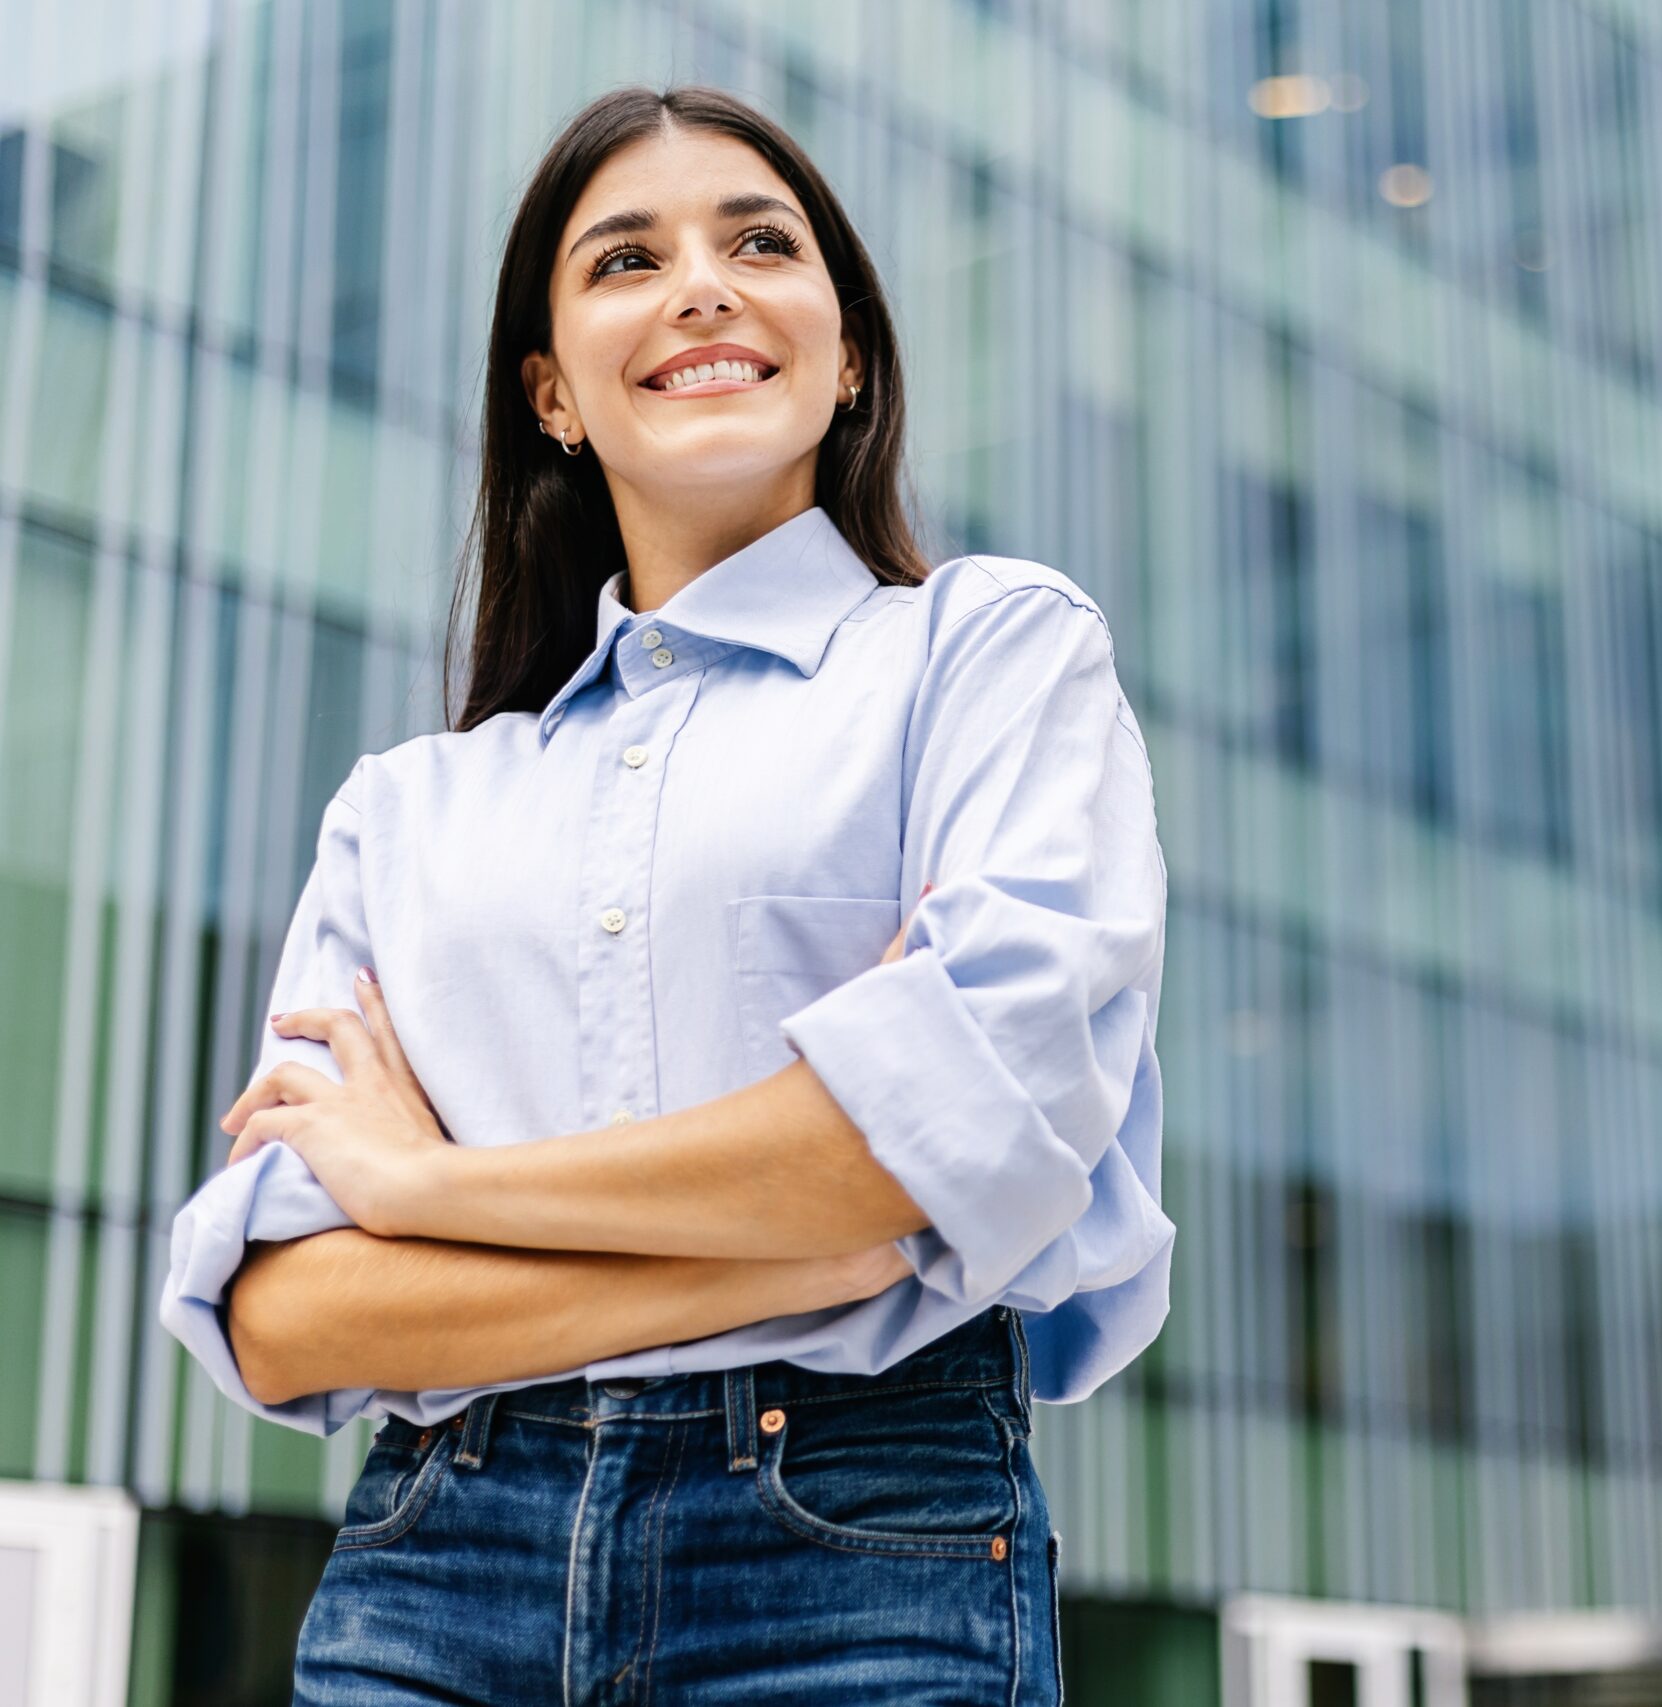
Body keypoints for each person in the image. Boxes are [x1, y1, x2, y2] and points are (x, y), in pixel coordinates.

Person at [156, 82, 1172, 1705]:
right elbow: (284, 1311)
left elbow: (941, 1136)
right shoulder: (410, 810)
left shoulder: (989, 654)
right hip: (439, 1567)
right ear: (553, 393)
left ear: (848, 357)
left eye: (759, 244)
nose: (702, 284)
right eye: (626, 259)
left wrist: (429, 1186)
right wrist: (806, 1248)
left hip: (854, 1550)